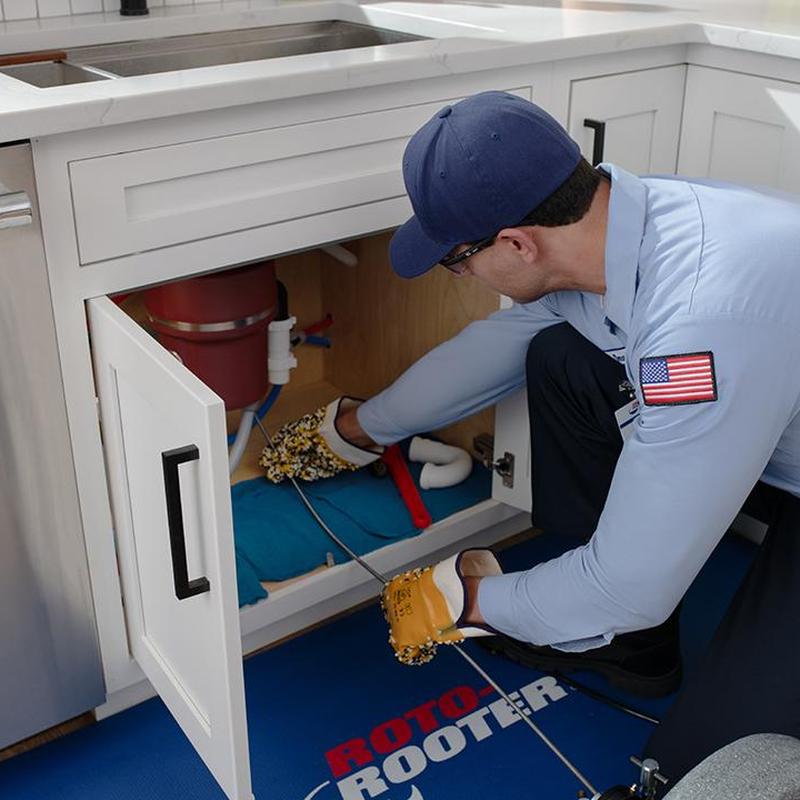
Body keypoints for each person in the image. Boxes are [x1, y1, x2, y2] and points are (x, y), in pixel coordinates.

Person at [259, 91, 800, 784]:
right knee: (562, 357)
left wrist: (468, 601)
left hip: (761, 423)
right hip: (764, 421)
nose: (460, 275)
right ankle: (628, 651)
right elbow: (497, 346)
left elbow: (628, 588)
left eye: (457, 261)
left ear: (517, 243)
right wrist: (364, 428)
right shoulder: (617, 226)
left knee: (714, 770)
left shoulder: (698, 322)